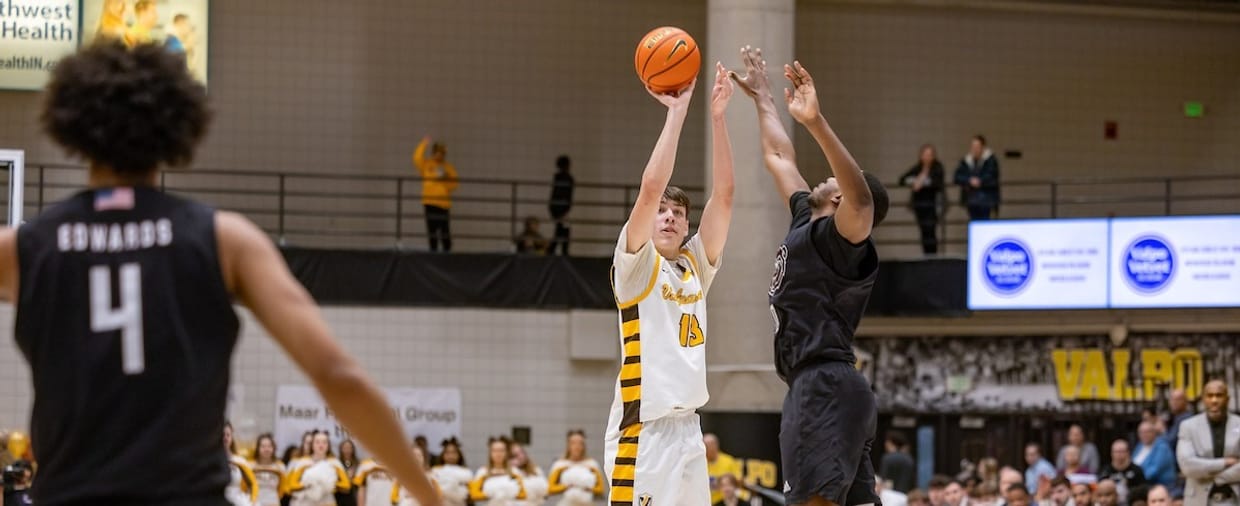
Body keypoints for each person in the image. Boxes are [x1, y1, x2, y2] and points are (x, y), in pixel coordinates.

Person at [9, 42, 438, 505]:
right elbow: (337, 374)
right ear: (178, 126)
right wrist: (429, 498)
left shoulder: (21, 248)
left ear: (71, 125)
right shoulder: (225, 239)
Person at [731, 46, 888, 506]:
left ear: (842, 198)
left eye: (840, 180)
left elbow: (861, 202)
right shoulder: (806, 219)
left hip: (824, 387)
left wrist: (817, 123)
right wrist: (763, 99)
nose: (828, 177)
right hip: (828, 388)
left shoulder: (847, 235)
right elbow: (779, 156)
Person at [603, 60, 736, 506]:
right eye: (662, 210)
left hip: (689, 430)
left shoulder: (695, 265)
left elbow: (726, 196)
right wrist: (677, 112)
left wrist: (718, 120)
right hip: (644, 430)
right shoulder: (636, 265)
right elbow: (650, 186)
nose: (668, 216)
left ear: (686, 226)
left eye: (678, 213)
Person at [1177, 380, 1240, 506]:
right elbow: (1188, 466)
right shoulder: (1188, 426)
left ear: (1227, 399)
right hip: (1199, 500)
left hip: (1234, 498)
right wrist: (1225, 462)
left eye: (1219, 395)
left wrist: (1219, 478)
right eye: (1210, 396)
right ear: (1203, 399)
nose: (1214, 400)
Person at [413, 136, 459, 252]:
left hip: (443, 204)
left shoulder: (448, 168)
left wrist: (445, 179)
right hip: (429, 203)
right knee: (432, 231)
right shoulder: (426, 165)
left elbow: (454, 185)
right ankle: (433, 253)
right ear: (433, 152)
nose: (440, 155)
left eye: (442, 152)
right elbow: (416, 158)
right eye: (438, 152)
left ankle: (447, 254)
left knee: (445, 232)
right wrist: (423, 144)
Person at [899, 144, 945, 255]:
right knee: (924, 231)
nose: (927, 157)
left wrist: (922, 183)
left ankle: (933, 256)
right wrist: (914, 181)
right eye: (925, 154)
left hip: (932, 205)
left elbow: (937, 183)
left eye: (929, 154)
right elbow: (902, 180)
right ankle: (926, 256)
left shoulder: (937, 168)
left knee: (931, 231)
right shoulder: (918, 168)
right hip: (920, 205)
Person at [547, 429, 606, 506]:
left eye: (580, 443)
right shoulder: (560, 464)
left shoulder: (592, 464)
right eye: (573, 443)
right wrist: (566, 487)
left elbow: (601, 489)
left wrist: (589, 489)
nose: (577, 446)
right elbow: (550, 489)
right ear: (568, 445)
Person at [953, 135, 999, 220]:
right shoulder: (966, 160)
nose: (974, 149)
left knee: (986, 223)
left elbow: (991, 176)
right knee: (974, 222)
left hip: (987, 199)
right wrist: (969, 180)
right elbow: (957, 176)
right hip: (971, 199)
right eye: (973, 146)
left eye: (977, 146)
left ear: (983, 147)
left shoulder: (991, 160)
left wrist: (980, 181)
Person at [469, 437, 527, 505]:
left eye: (501, 450)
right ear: (490, 453)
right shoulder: (482, 472)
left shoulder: (515, 472)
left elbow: (523, 495)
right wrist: (493, 494)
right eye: (495, 450)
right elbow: (473, 495)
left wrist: (507, 494)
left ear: (506, 453)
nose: (498, 453)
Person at [1100, 439, 1147, 506]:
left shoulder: (1137, 470)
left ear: (1128, 452)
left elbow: (1144, 490)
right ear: (1111, 453)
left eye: (1122, 451)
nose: (1119, 454)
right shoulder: (1105, 471)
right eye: (1116, 452)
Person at [224, 422, 261, 506]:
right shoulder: (207, 460)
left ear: (232, 437)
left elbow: (253, 483)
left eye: (228, 435)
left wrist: (252, 501)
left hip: (237, 501)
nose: (225, 438)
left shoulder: (240, 461)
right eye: (222, 435)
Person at [1136, 421, 1177, 489]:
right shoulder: (1140, 446)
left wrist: (1136, 477)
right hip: (1142, 484)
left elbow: (1153, 471)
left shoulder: (1162, 447)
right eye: (1141, 432)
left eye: (1147, 432)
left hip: (1160, 486)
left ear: (1154, 433)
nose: (1144, 435)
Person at [705, 433, 744, 504]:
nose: (705, 449)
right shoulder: (703, 464)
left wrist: (724, 484)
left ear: (715, 446)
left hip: (725, 502)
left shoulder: (728, 461)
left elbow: (738, 481)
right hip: (708, 502)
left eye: (707, 446)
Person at [548, 155, 575, 255]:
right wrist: (564, 210)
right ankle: (560, 251)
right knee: (563, 230)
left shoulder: (558, 177)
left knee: (561, 230)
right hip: (562, 209)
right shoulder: (567, 178)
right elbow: (565, 195)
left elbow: (555, 194)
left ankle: (553, 250)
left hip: (557, 208)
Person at [252, 433, 290, 506]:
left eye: (269, 446)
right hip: (254, 503)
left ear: (273, 448)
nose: (266, 449)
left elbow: (283, 489)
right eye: (263, 446)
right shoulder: (250, 465)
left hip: (273, 502)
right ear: (257, 448)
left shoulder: (280, 466)